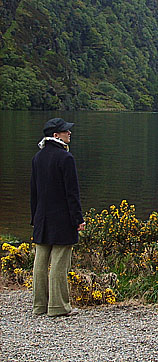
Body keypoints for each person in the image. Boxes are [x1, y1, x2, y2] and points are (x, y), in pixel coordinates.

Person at [30, 118, 86, 317]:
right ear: (56, 135)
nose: (69, 133)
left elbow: (33, 192)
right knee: (59, 262)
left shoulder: (38, 157)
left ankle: (39, 306)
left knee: (40, 262)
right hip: (62, 219)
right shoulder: (65, 158)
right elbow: (72, 193)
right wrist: (78, 219)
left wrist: (34, 218)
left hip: (41, 218)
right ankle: (58, 307)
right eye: (65, 131)